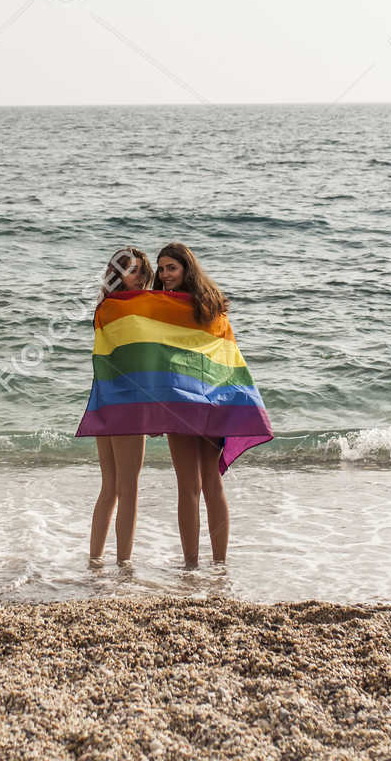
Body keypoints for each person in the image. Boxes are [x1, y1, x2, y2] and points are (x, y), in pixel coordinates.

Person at [152, 242, 269, 569]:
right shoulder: (212, 305)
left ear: (186, 269)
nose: (165, 275)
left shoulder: (163, 308)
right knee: (208, 483)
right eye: (160, 269)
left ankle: (192, 565)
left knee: (191, 487)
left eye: (171, 268)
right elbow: (224, 358)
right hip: (213, 402)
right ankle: (218, 565)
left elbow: (165, 359)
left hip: (184, 405)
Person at [84, 247, 152, 566]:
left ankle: (95, 560)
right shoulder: (134, 308)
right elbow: (141, 359)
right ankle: (123, 564)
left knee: (110, 487)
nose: (134, 275)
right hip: (127, 402)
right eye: (129, 269)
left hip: (105, 399)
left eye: (138, 270)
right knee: (128, 489)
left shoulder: (104, 306)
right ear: (117, 273)